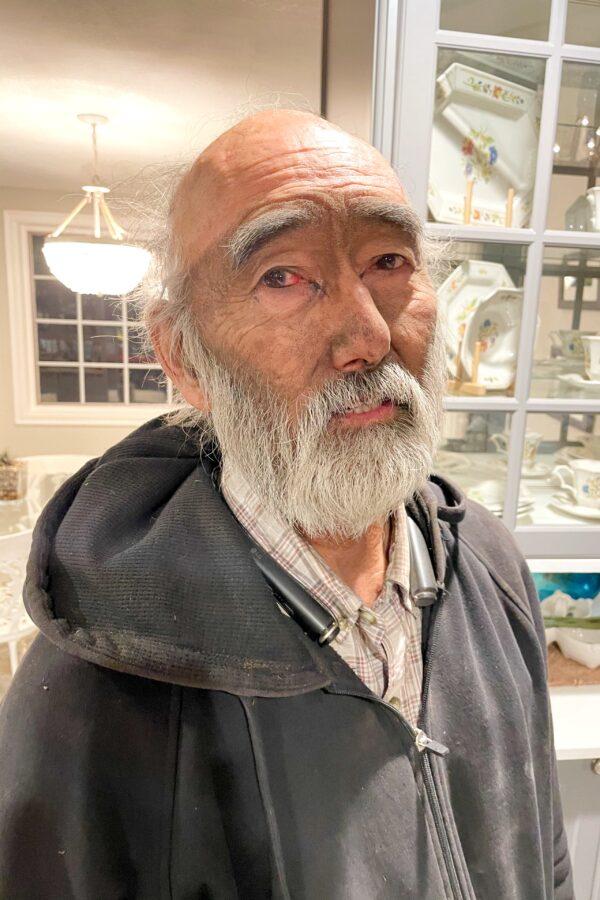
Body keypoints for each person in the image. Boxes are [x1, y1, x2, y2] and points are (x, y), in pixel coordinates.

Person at [0, 110, 572, 899]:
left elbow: (543, 850)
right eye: (283, 276)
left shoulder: (492, 567)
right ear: (183, 356)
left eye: (388, 260)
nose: (367, 335)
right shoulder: (98, 677)